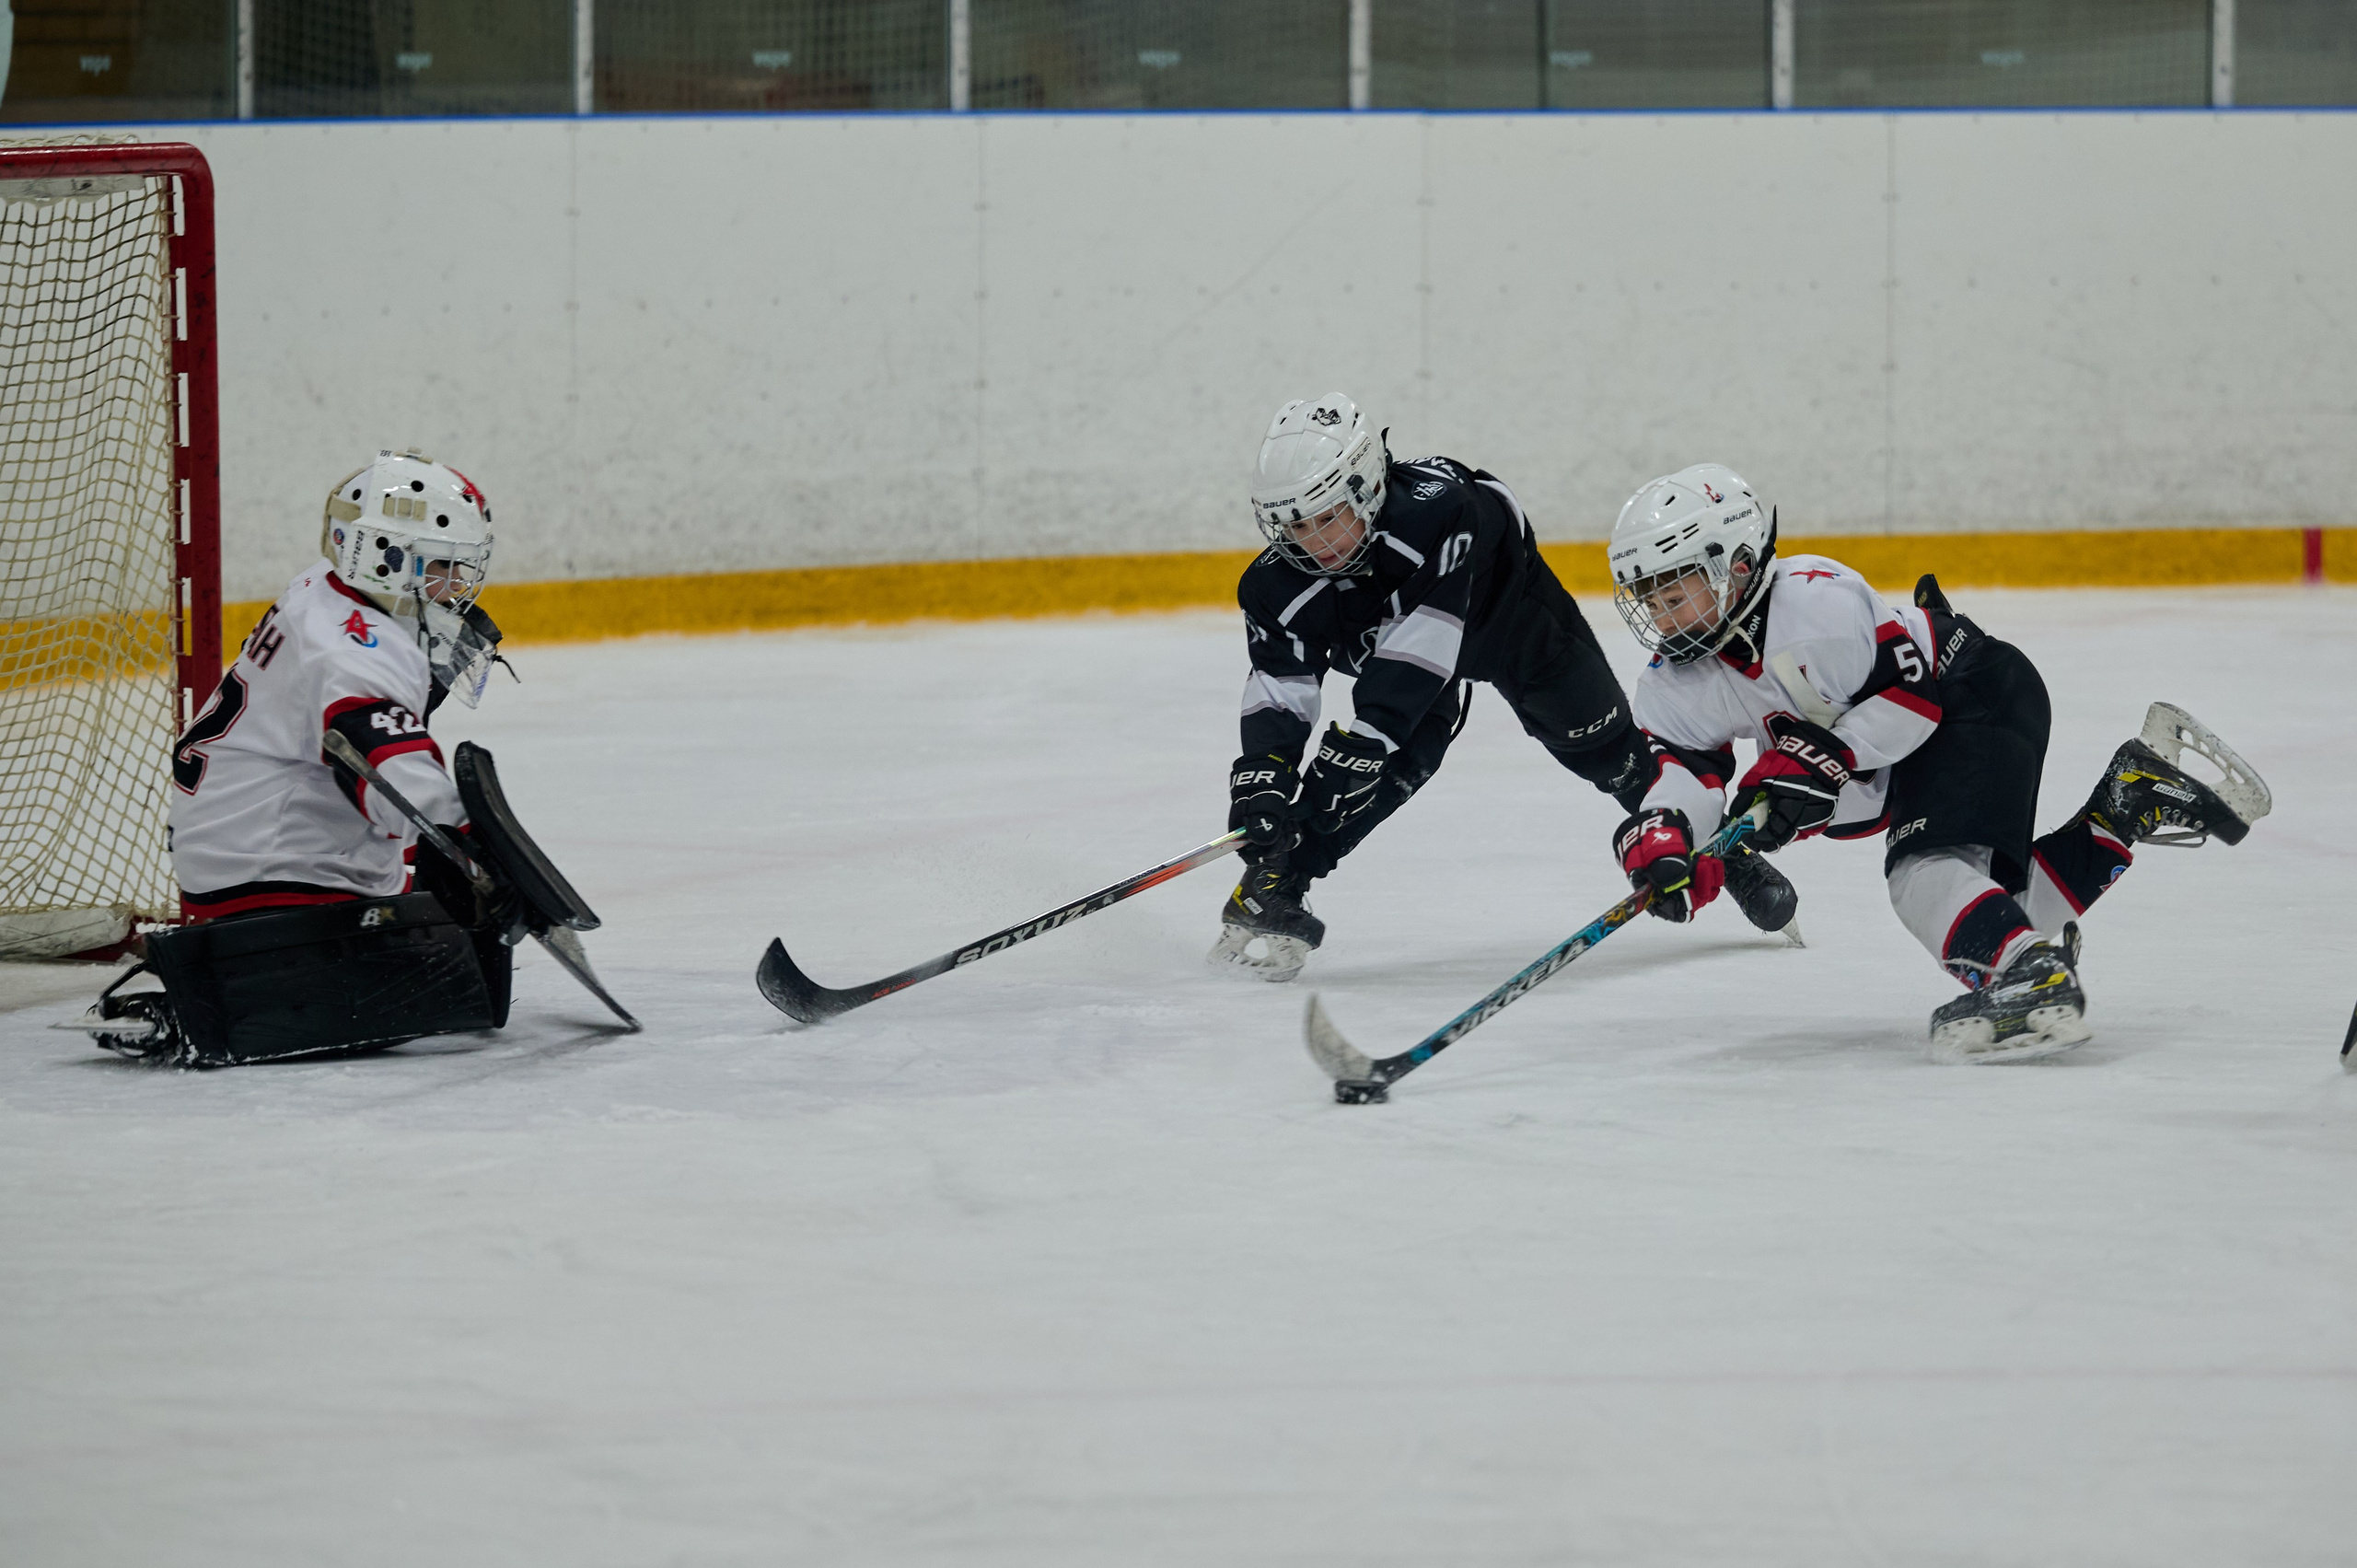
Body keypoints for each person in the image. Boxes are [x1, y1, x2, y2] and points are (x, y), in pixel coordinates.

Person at [1601, 463, 2269, 1062]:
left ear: (1738, 564)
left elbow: (1911, 702)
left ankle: (2029, 975)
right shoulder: (1674, 681)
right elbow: (1686, 770)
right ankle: (2123, 806)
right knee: (1993, 913)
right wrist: (1668, 833)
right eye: (1650, 601)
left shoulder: (1813, 603)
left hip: (1972, 692)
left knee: (1925, 874)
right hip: (1917, 745)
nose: (1662, 618)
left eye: (1675, 592)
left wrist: (1822, 758)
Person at [1212, 396, 1798, 981]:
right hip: (1403, 648)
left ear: (1367, 486)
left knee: (1613, 754)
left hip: (1512, 625)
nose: (1314, 542)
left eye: (1327, 516)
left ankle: (1720, 845)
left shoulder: (1443, 509)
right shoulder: (1271, 587)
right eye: (1295, 525)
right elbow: (1279, 687)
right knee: (1393, 767)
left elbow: (1419, 653)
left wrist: (1362, 744)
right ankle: (1274, 883)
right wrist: (1264, 775)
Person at [79, 449, 524, 1067]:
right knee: (443, 989)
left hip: (238, 842)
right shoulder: (351, 651)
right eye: (445, 567)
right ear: (388, 559)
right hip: (270, 871)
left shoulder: (327, 588)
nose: (458, 586)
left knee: (464, 951)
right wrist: (477, 849)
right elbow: (397, 777)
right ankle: (215, 998)